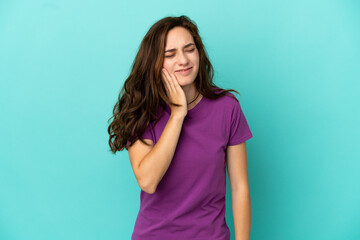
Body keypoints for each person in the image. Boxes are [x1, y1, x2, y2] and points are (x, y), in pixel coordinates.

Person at [107, 15, 253, 240]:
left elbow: (240, 187)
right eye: (170, 54)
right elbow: (148, 181)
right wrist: (177, 114)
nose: (183, 60)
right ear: (154, 62)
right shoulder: (141, 110)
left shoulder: (227, 108)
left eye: (189, 49)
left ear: (199, 53)